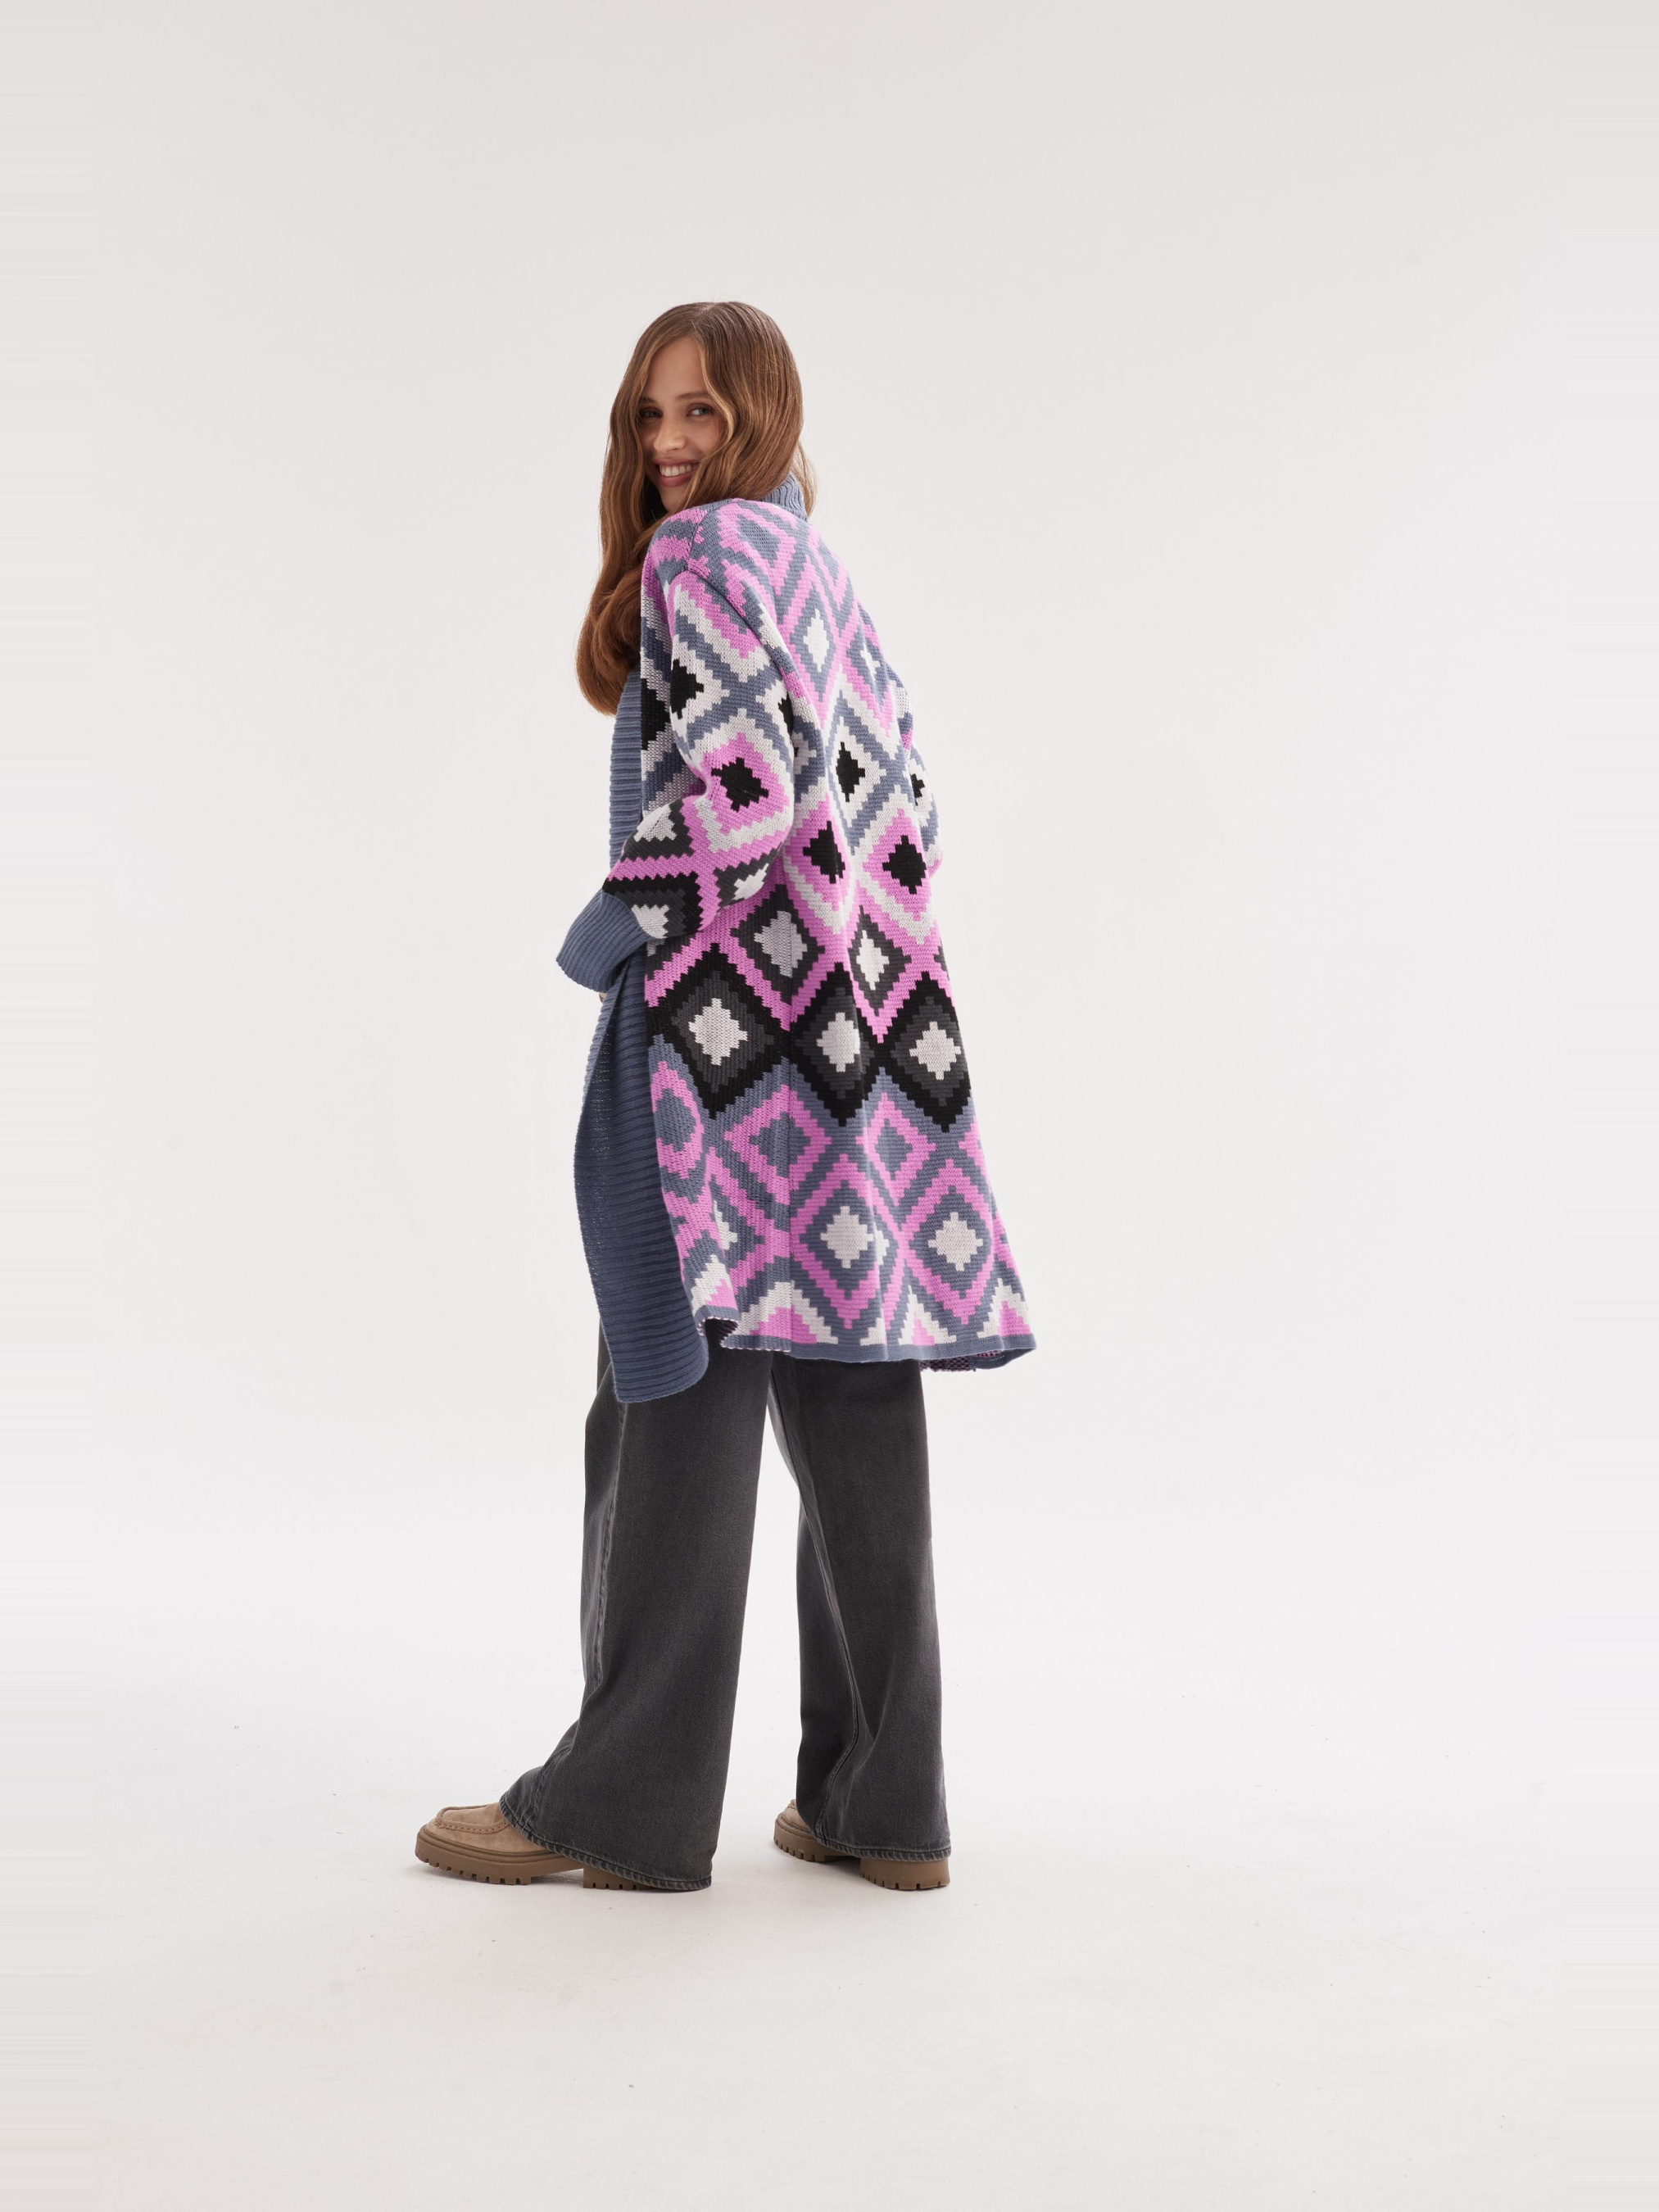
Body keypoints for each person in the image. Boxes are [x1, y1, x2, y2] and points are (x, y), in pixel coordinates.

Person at [415, 301, 1032, 1896]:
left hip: (723, 1053)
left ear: (764, 415)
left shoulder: (699, 561)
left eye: (701, 411)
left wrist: (617, 929)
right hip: (859, 1054)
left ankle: (621, 1807)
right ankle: (881, 1805)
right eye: (648, 416)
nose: (670, 445)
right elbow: (906, 804)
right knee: (847, 1397)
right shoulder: (821, 570)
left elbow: (743, 797)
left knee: (664, 1392)